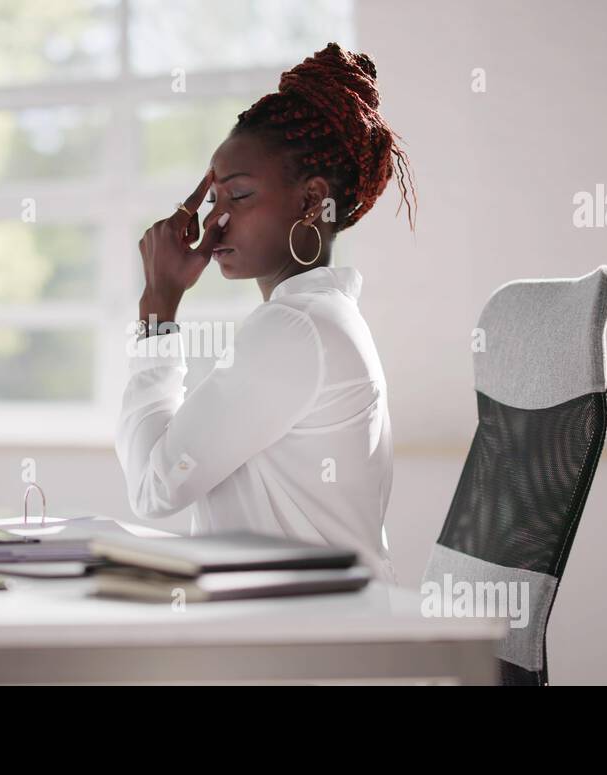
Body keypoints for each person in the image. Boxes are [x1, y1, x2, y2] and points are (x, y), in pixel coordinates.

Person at [117, 42, 416, 583]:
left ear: (309, 201)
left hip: (304, 649)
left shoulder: (295, 329)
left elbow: (153, 489)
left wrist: (158, 307)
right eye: (213, 201)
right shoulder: (319, 318)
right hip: (309, 631)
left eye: (239, 195)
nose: (215, 223)